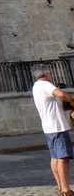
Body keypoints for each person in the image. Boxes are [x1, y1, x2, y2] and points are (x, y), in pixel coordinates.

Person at [33, 66, 74, 196]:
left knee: (55, 158)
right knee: (63, 158)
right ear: (46, 74)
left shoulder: (36, 86)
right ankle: (66, 190)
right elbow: (60, 94)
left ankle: (61, 187)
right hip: (58, 127)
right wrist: (71, 101)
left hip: (49, 127)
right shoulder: (46, 84)